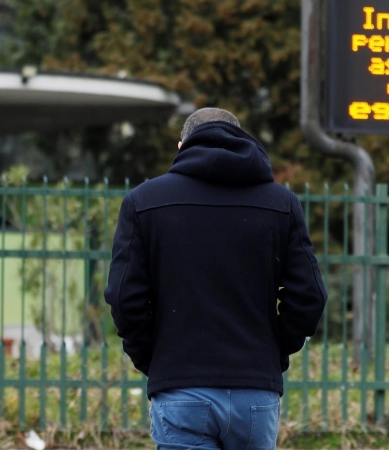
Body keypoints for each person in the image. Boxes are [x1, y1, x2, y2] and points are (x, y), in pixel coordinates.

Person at [104, 107, 327, 449]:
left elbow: (124, 298)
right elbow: (310, 296)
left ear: (182, 147)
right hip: (255, 389)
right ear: (242, 141)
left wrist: (155, 359)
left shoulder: (143, 202)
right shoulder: (282, 204)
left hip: (179, 385)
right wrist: (271, 352)